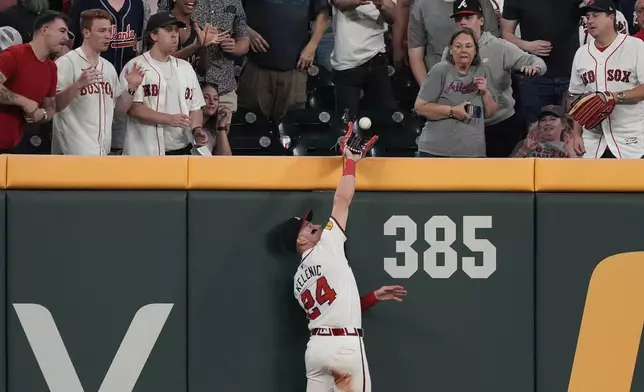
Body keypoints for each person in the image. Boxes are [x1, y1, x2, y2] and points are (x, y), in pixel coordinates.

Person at [281, 147, 407, 392]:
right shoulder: (328, 245)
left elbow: (336, 308)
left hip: (316, 349)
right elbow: (342, 200)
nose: (315, 225)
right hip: (343, 346)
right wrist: (351, 163)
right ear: (300, 241)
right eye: (308, 227)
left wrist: (372, 297)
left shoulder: (297, 281)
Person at [442, 0, 546, 157]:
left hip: (500, 125)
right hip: (465, 125)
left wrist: (534, 68)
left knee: (502, 177)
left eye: (468, 17)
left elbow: (537, 62)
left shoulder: (499, 46)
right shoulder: (449, 51)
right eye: (459, 19)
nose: (462, 22)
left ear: (481, 20)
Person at [52, 9, 145, 155]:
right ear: (86, 32)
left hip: (103, 153)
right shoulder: (66, 63)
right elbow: (53, 106)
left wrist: (131, 88)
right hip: (72, 154)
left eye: (109, 31)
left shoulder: (108, 68)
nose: (108, 35)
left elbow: (118, 111)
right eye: (102, 31)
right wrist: (77, 85)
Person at [121, 12, 208, 155]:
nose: (175, 35)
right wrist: (169, 119)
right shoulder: (136, 66)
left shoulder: (185, 68)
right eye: (168, 30)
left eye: (176, 30)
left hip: (182, 147)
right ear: (154, 36)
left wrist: (197, 129)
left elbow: (195, 107)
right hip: (146, 151)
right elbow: (134, 108)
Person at [568, 0, 644, 158]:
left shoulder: (636, 46)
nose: (590, 21)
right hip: (592, 142)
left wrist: (615, 97)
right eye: (588, 16)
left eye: (596, 15)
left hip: (630, 140)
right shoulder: (581, 53)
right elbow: (576, 98)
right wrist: (576, 135)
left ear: (611, 17)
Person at [157, 0, 249, 129]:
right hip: (184, 89)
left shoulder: (234, 2)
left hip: (223, 85)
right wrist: (197, 45)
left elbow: (244, 39)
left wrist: (234, 47)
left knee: (220, 138)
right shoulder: (181, 18)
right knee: (185, 139)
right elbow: (159, 52)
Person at [238, 0, 329, 121]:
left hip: (294, 69)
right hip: (257, 69)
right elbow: (231, 9)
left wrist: (312, 45)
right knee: (252, 127)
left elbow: (323, 12)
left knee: (292, 125)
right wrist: (245, 31)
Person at [414, 28, 499, 157]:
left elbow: (491, 113)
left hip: (473, 153)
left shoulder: (483, 71)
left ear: (475, 50)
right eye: (458, 46)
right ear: (451, 50)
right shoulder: (440, 70)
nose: (463, 50)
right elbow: (420, 107)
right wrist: (452, 111)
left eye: (468, 46)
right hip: (436, 152)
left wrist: (485, 93)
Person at [501, 0, 582, 128]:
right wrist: (527, 45)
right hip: (535, 78)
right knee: (536, 130)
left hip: (571, 77)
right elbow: (506, 33)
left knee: (572, 130)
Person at [0, 10, 69, 153]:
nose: (66, 38)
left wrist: (42, 114)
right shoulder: (14, 55)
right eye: (62, 31)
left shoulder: (51, 68)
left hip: (21, 145)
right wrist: (24, 102)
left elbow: (50, 107)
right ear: (44, 30)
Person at [329, 0, 397, 117]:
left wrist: (382, 5)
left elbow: (392, 17)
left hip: (377, 58)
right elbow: (340, 3)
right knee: (347, 124)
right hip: (347, 62)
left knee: (386, 119)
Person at [407, 0, 499, 85]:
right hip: (439, 83)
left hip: (478, 83)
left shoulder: (482, 3)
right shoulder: (421, 5)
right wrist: (428, 91)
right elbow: (416, 55)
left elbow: (494, 49)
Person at [169, 0, 222, 68]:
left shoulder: (198, 30)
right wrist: (195, 46)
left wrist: (203, 47)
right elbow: (160, 60)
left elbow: (201, 71)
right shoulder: (160, 23)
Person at [511, 105, 576, 158]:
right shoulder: (525, 143)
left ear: (563, 125)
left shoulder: (570, 146)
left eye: (552, 119)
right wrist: (524, 150)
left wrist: (571, 153)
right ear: (539, 126)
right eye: (543, 120)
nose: (547, 123)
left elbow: (580, 172)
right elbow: (508, 169)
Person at [201, 82, 232, 155]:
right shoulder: (187, 125)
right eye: (206, 97)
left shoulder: (211, 132)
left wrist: (221, 126)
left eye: (215, 99)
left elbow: (226, 159)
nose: (212, 102)